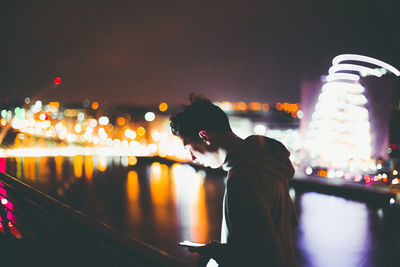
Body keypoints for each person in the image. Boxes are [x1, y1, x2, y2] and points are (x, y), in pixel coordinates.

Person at [170, 94, 298, 267]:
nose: (192, 158)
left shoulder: (242, 178)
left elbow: (260, 257)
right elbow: (285, 227)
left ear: (205, 137)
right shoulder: (268, 162)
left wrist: (215, 252)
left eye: (190, 148)